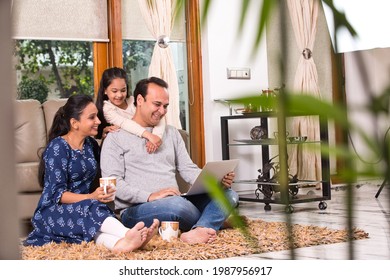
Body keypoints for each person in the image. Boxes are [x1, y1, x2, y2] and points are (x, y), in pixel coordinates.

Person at [100, 77, 239, 244]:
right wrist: (150, 196)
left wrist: (215, 182)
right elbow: (113, 186)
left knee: (229, 194)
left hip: (177, 199)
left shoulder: (171, 133)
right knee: (178, 207)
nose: (162, 111)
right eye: (157, 104)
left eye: (165, 106)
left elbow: (187, 169)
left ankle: (200, 228)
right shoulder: (115, 138)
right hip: (136, 209)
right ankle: (213, 218)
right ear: (139, 100)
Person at [23, 94, 159, 253]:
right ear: (74, 123)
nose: (99, 121)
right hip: (53, 212)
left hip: (84, 208)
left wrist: (110, 139)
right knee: (92, 209)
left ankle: (121, 244)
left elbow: (107, 165)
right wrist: (91, 197)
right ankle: (128, 234)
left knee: (92, 226)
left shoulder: (90, 145)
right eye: (92, 117)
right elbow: (57, 195)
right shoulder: (58, 148)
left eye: (97, 116)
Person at [95, 67, 165, 153]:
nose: (119, 95)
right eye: (114, 91)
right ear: (105, 90)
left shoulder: (133, 100)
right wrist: (149, 135)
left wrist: (156, 136)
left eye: (123, 90)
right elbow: (125, 123)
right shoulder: (107, 108)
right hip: (129, 144)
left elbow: (158, 116)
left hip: (147, 142)